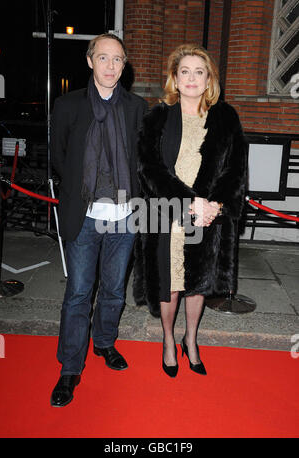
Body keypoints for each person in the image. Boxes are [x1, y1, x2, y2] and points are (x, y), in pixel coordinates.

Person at [133, 44, 247, 377]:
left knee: (197, 282)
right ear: (174, 78)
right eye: (185, 71)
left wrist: (216, 205)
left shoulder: (226, 117)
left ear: (209, 78)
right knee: (170, 282)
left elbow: (236, 169)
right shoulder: (158, 117)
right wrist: (189, 201)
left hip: (208, 214)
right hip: (168, 212)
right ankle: (169, 340)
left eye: (200, 71)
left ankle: (191, 339)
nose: (192, 78)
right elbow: (148, 168)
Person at [50, 33, 148, 406]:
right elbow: (61, 158)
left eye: (118, 60)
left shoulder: (138, 107)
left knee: (112, 290)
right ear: (90, 61)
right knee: (78, 294)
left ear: (125, 66)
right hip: (84, 215)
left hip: (124, 216)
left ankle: (104, 343)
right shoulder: (68, 105)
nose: (111, 66)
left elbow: (143, 159)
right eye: (104, 58)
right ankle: (70, 368)